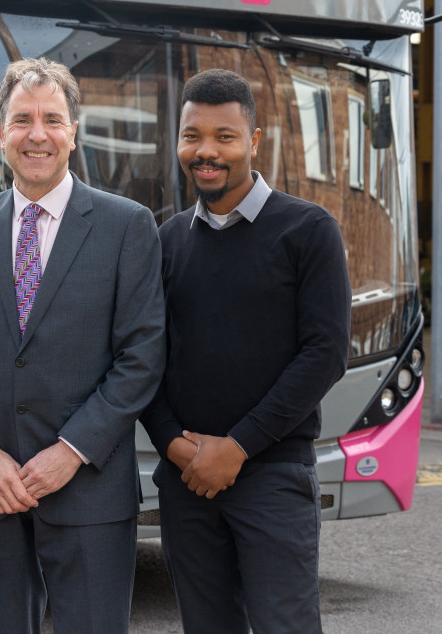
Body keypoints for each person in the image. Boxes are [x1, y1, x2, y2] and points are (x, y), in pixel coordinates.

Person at [0, 57, 165, 633]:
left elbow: (142, 356)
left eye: (53, 120)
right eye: (22, 119)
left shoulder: (127, 225)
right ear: (0, 133)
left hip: (89, 491)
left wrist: (71, 451)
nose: (38, 134)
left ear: (73, 132)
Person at [140, 69, 351, 633]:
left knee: (286, 625)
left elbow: (325, 353)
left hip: (273, 475)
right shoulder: (166, 241)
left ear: (254, 141)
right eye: (192, 136)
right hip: (185, 480)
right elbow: (144, 357)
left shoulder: (308, 230)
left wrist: (237, 447)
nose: (206, 152)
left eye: (224, 136)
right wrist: (173, 445)